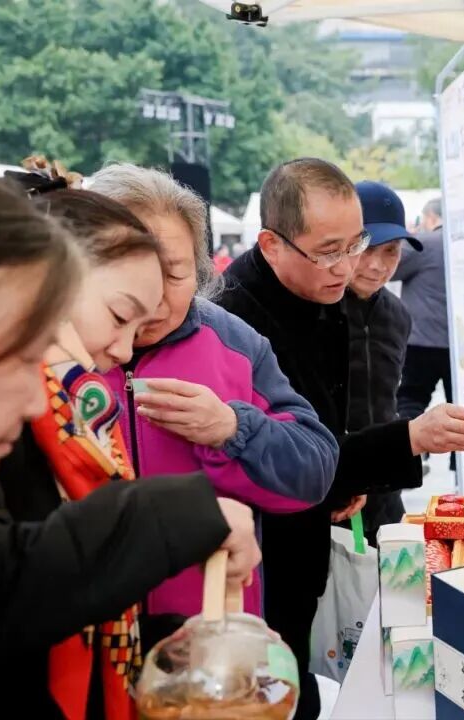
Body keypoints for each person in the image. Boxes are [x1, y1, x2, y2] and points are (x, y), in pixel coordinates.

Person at [0, 175, 262, 719]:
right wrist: (191, 512)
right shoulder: (29, 424)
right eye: (119, 314)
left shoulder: (83, 422)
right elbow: (4, 586)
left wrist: (173, 649)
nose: (123, 348)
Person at [218, 158, 464, 720]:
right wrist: (409, 438)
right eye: (330, 249)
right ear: (271, 244)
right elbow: (294, 453)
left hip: (326, 519)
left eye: (358, 243)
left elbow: (326, 436)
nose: (350, 265)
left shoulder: (340, 302)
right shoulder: (235, 320)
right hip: (258, 558)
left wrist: (344, 478)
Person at [86, 164, 339, 637]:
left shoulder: (234, 343)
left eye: (174, 274)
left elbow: (315, 469)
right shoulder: (52, 353)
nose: (154, 300)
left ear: (200, 269)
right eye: (131, 275)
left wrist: (231, 429)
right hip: (83, 640)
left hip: (211, 635)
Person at [344, 181, 423, 542]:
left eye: (390, 251)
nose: (377, 266)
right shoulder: (312, 311)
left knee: (398, 594)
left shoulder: (397, 316)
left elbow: (386, 403)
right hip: (330, 495)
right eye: (366, 249)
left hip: (387, 502)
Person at [394, 197, 453, 420]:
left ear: (430, 217)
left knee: (410, 400)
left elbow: (392, 270)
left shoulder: (424, 243)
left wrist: (410, 235)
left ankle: (412, 454)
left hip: (422, 340)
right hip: (458, 344)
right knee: (461, 409)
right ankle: (458, 456)